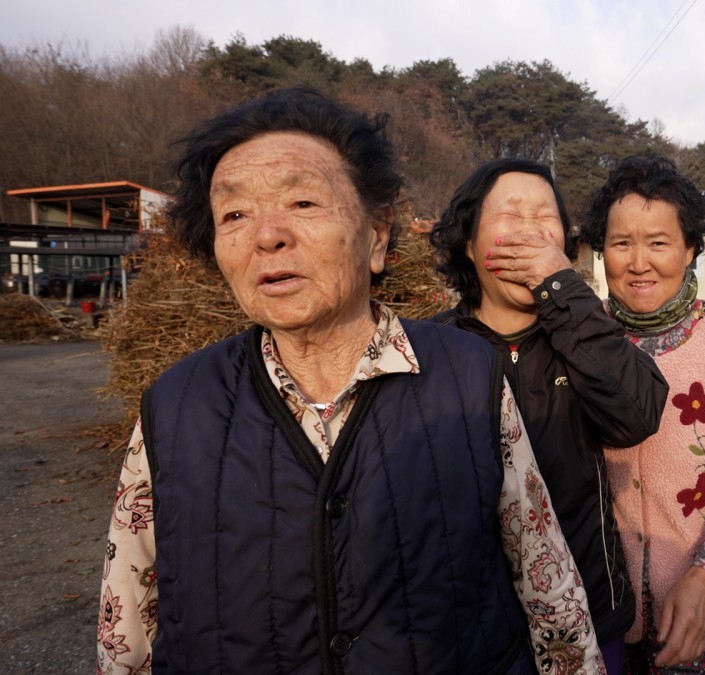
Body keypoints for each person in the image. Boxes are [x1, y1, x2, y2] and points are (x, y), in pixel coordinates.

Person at [96, 88, 603, 674]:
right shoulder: (175, 406)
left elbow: (550, 590)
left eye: (303, 203)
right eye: (234, 215)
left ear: (378, 235)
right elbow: (126, 629)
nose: (267, 236)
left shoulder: (470, 378)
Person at [429, 157, 669, 673]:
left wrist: (561, 289)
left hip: (588, 616)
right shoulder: (430, 351)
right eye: (511, 216)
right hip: (469, 631)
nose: (531, 234)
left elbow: (638, 413)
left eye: (546, 219)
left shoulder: (582, 328)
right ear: (468, 243)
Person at [579, 154, 705, 673]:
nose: (638, 262)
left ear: (690, 249)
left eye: (658, 243)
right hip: (604, 618)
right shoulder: (577, 338)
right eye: (621, 244)